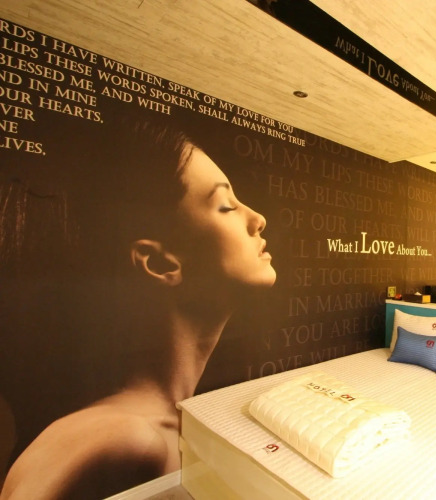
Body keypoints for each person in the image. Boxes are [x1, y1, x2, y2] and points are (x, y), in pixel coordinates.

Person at [0, 119, 276, 499]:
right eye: (226, 206)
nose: (258, 219)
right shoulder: (125, 437)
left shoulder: (159, 426)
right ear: (160, 263)